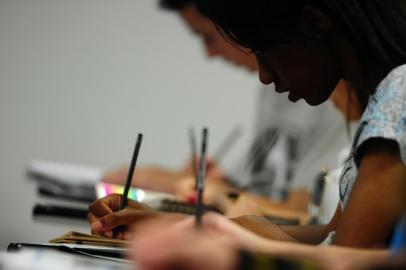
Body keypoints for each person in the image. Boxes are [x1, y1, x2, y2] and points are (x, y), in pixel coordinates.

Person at [102, 0, 350, 212]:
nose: (209, 53)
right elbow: (252, 191)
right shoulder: (276, 86)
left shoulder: (322, 88)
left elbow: (312, 212)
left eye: (208, 36)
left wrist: (219, 193)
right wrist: (213, 183)